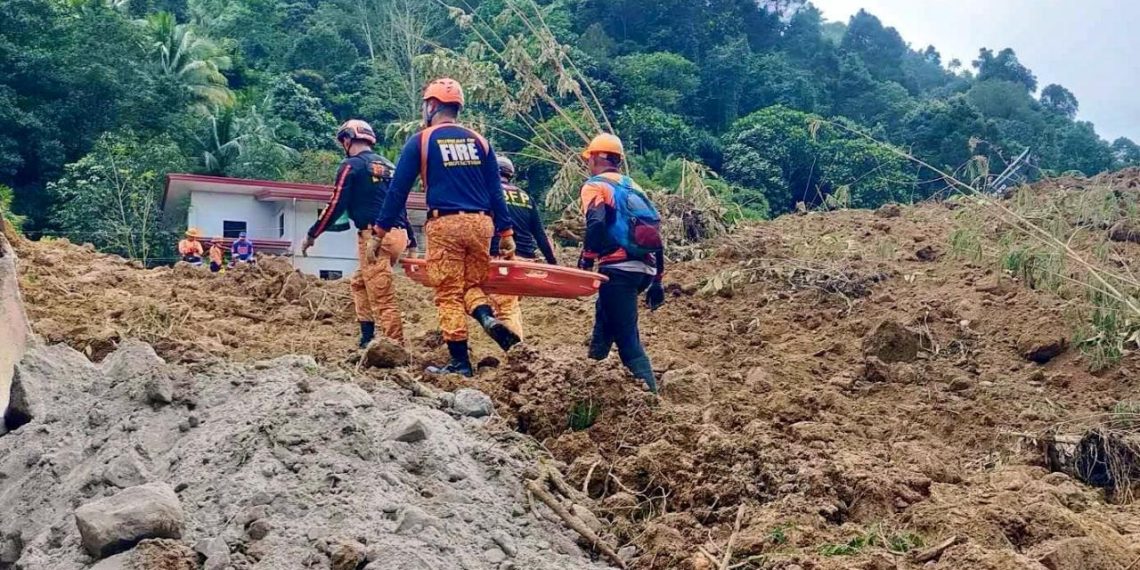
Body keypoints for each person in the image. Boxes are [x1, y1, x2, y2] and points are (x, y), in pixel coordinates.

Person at [376, 77, 517, 377]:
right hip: (482, 224)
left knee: (448, 292)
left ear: (432, 105)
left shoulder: (422, 141)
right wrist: (506, 233)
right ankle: (487, 317)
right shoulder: (480, 141)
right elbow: (496, 191)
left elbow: (397, 191)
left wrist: (380, 231)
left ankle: (460, 363)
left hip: (445, 224)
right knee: (470, 285)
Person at [301, 119, 414, 348]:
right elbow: (398, 203)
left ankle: (396, 347)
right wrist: (410, 238)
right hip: (398, 235)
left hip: (375, 238)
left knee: (382, 296)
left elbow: (336, 203)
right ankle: (366, 337)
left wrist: (312, 234)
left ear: (347, 139)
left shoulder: (351, 165)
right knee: (359, 283)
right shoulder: (389, 166)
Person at [577, 133, 666, 393]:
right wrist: (658, 279)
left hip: (618, 270)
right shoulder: (634, 186)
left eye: (589, 158)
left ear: (596, 158)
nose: (588, 163)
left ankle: (652, 400)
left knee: (628, 340)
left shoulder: (595, 186)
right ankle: (588, 385)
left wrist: (587, 260)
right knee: (605, 323)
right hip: (644, 268)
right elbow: (654, 231)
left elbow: (595, 223)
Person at [488, 155, 558, 339]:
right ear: (510, 174)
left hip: (502, 259)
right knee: (507, 304)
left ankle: (516, 350)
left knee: (505, 308)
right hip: (525, 261)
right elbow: (540, 235)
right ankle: (509, 345)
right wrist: (553, 264)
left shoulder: (488, 193)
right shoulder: (526, 197)